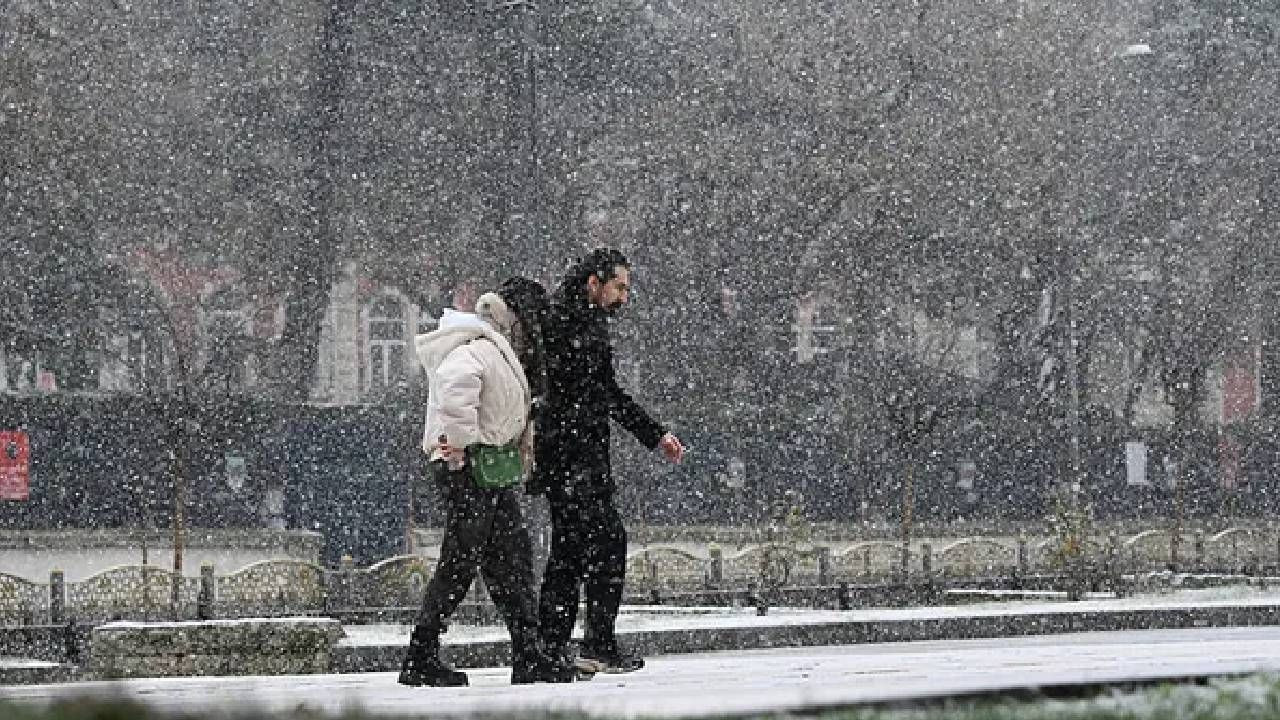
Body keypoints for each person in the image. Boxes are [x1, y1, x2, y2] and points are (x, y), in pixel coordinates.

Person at [399, 285, 572, 687]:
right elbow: (455, 388)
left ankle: (527, 653)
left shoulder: (488, 346)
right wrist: (459, 445)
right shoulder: (476, 346)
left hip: (486, 470)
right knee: (463, 562)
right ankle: (420, 655)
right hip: (470, 468)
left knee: (511, 558)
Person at [531, 247, 685, 674]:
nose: (624, 297)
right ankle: (589, 642)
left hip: (574, 455)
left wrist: (655, 435)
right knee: (603, 542)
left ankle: (555, 646)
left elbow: (604, 393)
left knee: (571, 549)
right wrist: (651, 434)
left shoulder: (581, 322)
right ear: (593, 283)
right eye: (619, 287)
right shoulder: (568, 324)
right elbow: (596, 395)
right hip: (572, 455)